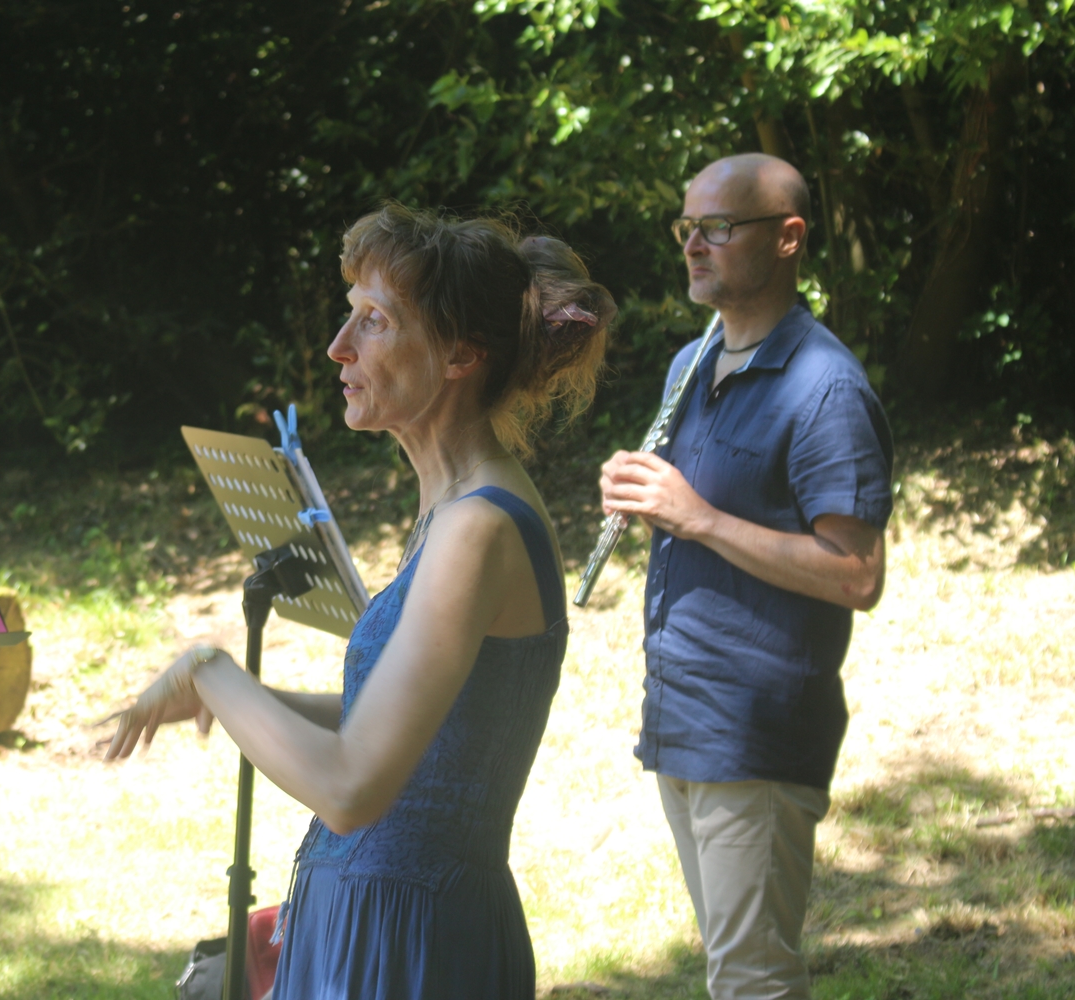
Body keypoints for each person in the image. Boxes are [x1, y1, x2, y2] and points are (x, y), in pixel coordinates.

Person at [104, 204, 614, 998]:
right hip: (380, 914)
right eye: (350, 315)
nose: (339, 347)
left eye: (374, 321)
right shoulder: (453, 507)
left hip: (409, 938)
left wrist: (211, 672)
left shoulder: (477, 527)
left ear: (460, 354)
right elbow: (415, 730)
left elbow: (352, 788)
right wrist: (250, 703)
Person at [598, 153, 893, 999]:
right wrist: (647, 501)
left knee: (752, 982)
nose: (694, 244)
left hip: (756, 731)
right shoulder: (690, 365)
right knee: (735, 973)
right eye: (686, 227)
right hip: (682, 714)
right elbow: (695, 514)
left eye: (718, 227)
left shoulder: (827, 388)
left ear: (788, 238)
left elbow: (857, 576)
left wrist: (697, 516)